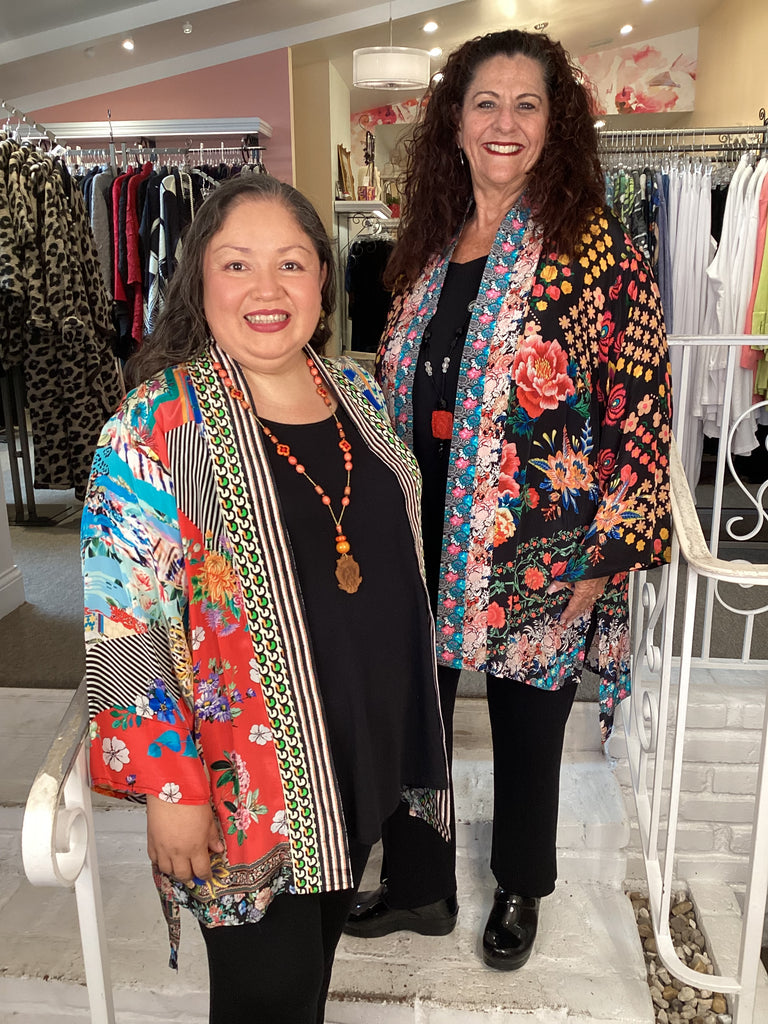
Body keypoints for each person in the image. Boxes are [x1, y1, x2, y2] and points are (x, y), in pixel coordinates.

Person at [81, 174, 450, 1024]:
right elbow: (123, 623)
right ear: (199, 281)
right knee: (267, 998)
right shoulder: (154, 426)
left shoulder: (358, 395)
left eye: (290, 263)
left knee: (308, 981)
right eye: (237, 264)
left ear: (322, 278)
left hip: (354, 756)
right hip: (245, 784)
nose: (266, 289)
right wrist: (171, 788)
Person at [344, 29, 672, 971]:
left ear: (554, 124)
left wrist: (605, 552)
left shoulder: (599, 246)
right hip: (422, 528)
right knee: (416, 710)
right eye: (486, 102)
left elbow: (640, 402)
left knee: (530, 719)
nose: (505, 122)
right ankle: (419, 885)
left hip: (541, 540)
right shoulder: (426, 243)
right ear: (454, 121)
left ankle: (521, 885)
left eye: (528, 105)